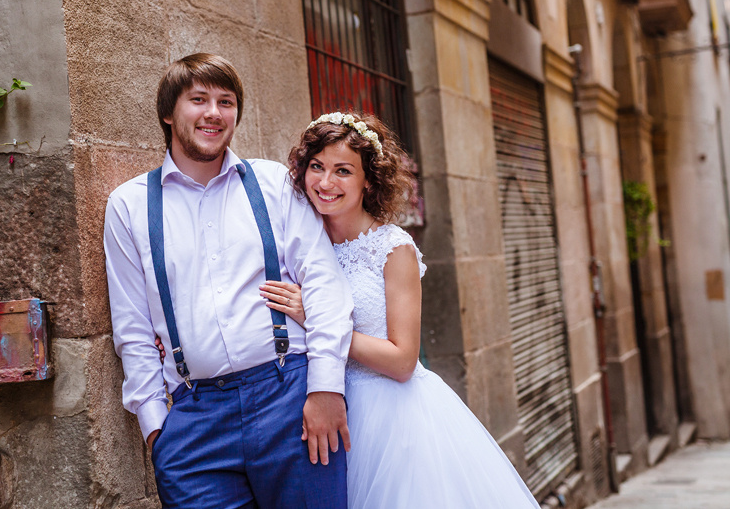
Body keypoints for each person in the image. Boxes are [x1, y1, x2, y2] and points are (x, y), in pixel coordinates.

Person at [103, 53, 355, 508]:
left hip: (291, 400)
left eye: (226, 101)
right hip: (195, 420)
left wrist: (324, 388)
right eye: (198, 99)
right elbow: (132, 326)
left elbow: (324, 284)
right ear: (168, 112)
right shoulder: (129, 205)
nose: (214, 113)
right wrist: (156, 428)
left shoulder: (273, 182)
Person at [259, 111, 541, 508]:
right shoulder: (296, 243)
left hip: (391, 417)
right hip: (318, 408)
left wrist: (318, 320)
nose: (325, 183)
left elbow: (403, 360)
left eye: (343, 171)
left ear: (368, 180)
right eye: (317, 167)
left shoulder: (393, 249)